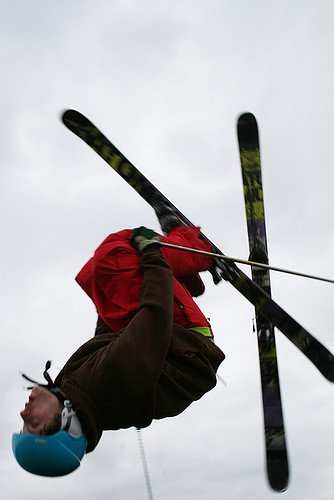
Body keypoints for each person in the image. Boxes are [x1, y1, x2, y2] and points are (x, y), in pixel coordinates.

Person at [12, 208, 225, 477]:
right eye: (33, 423)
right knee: (114, 254)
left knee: (95, 276)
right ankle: (198, 249)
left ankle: (183, 272)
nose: (23, 413)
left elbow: (105, 337)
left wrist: (108, 299)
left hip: (171, 336)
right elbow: (155, 316)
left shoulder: (77, 390)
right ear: (67, 424)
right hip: (187, 337)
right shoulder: (107, 386)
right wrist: (151, 253)